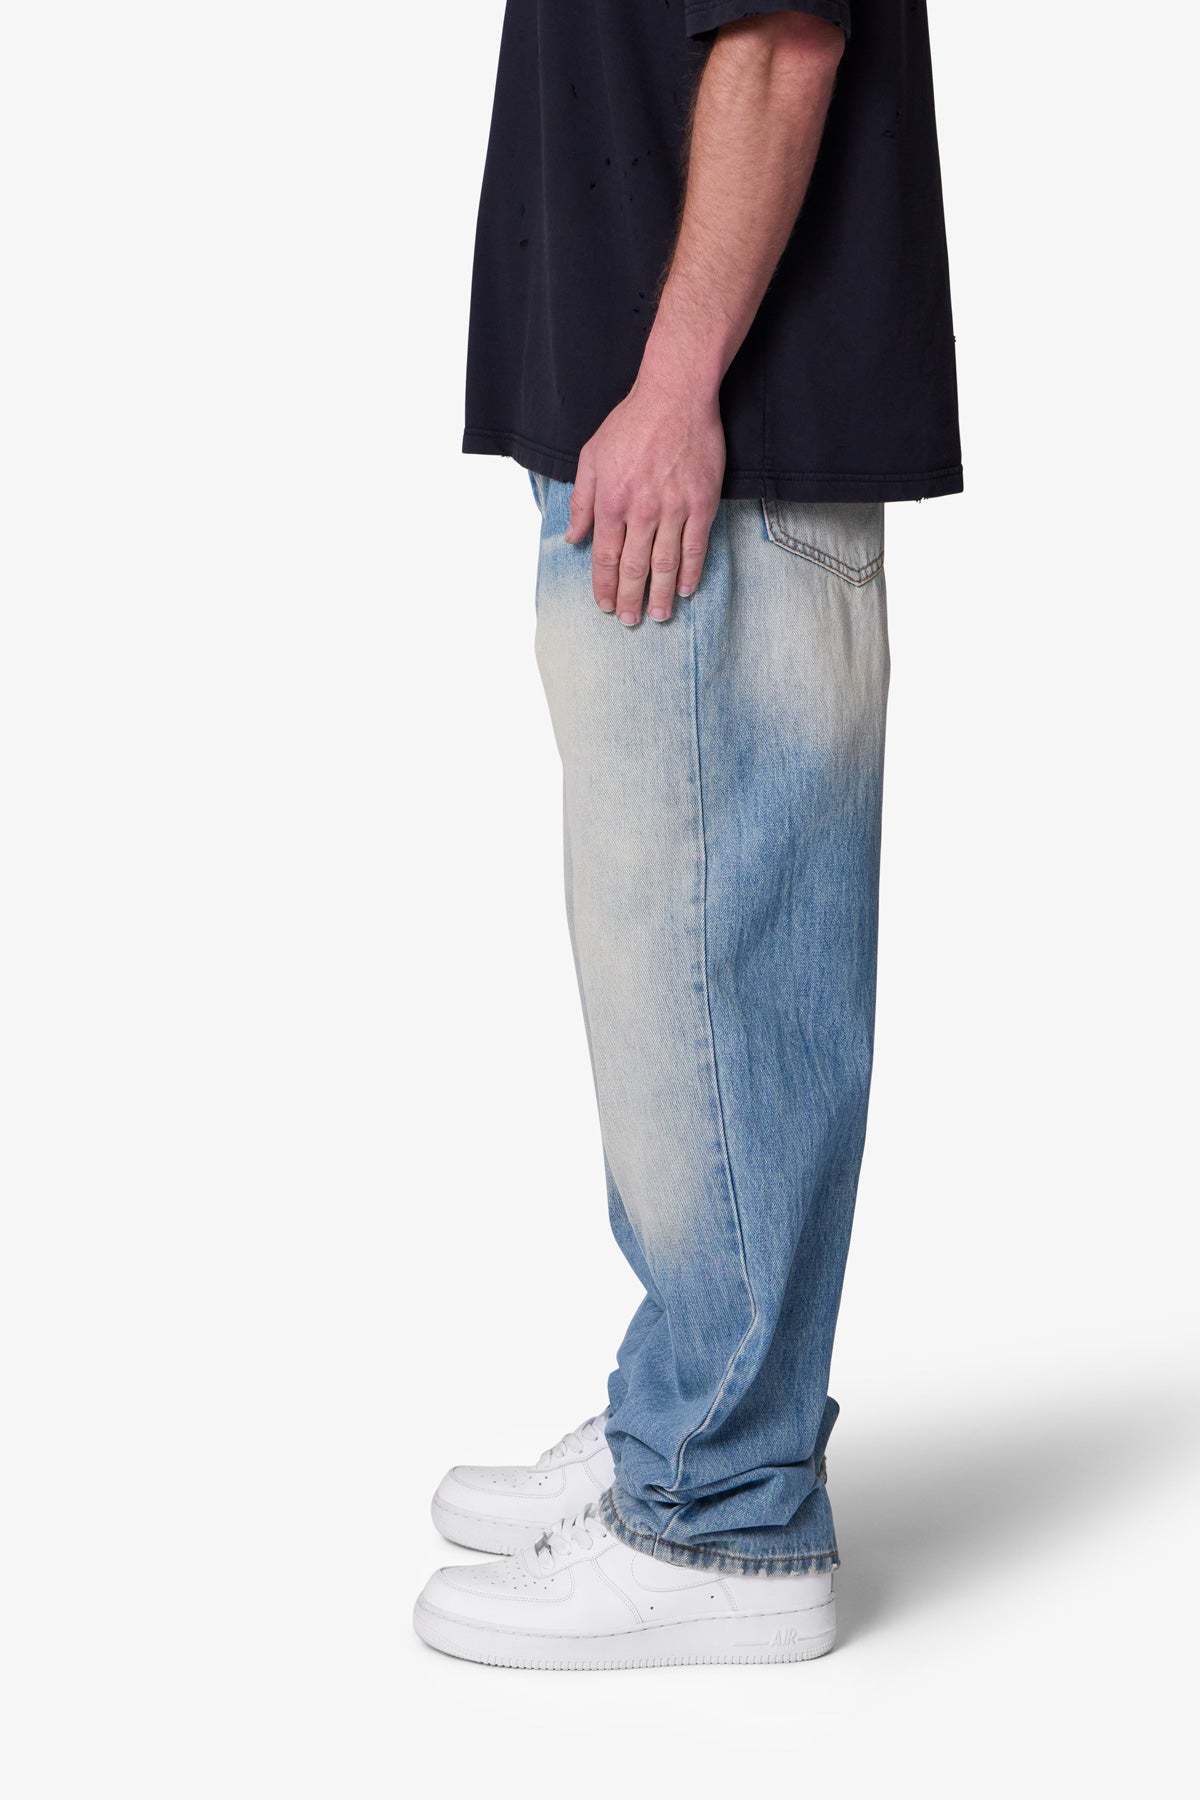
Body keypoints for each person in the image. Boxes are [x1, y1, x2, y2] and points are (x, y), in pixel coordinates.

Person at [414, 0, 961, 1670]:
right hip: (664, 429)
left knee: (717, 979)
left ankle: (721, 1505)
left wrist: (672, 384)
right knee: (671, 986)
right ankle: (690, 1400)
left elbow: (782, 36)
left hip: (714, 441)